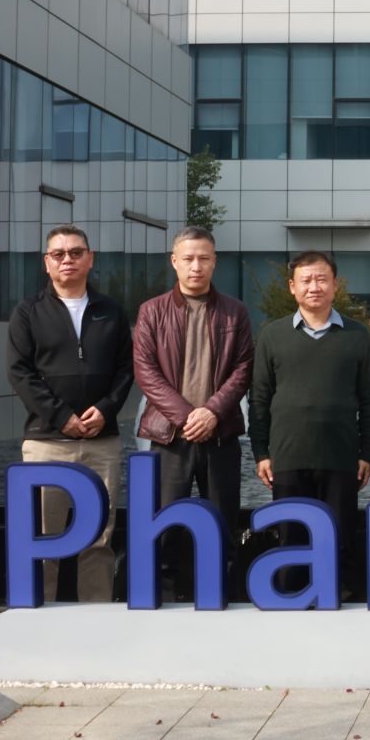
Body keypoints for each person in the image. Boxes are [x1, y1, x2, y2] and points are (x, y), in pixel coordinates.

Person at [6, 224, 134, 602]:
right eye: (58, 254)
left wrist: (106, 409)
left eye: (76, 253)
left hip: (102, 442)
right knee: (42, 537)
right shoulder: (28, 312)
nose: (68, 260)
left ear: (90, 259)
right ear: (46, 262)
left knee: (100, 537)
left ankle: (95, 619)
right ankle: (38, 617)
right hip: (47, 443)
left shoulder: (111, 311)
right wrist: (61, 416)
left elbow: (126, 370)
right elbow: (20, 373)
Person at [248, 251, 370, 601]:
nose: (314, 287)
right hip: (287, 457)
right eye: (306, 280)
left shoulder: (357, 335)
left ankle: (338, 605)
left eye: (322, 279)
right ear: (292, 287)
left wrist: (366, 453)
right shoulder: (272, 335)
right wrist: (261, 453)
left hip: (341, 457)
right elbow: (259, 400)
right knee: (291, 538)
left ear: (335, 285)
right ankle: (290, 603)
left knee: (340, 538)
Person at [132, 226, 255, 602]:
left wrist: (212, 412)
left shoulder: (235, 311)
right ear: (174, 261)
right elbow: (146, 372)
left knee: (222, 526)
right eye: (188, 259)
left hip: (220, 436)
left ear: (215, 262)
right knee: (165, 528)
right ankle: (166, 603)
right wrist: (187, 417)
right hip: (170, 437)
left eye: (204, 258)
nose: (196, 266)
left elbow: (244, 368)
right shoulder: (152, 311)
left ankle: (222, 602)